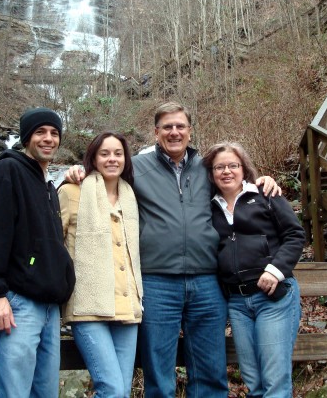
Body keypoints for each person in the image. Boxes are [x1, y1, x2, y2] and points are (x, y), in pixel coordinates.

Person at [65, 102, 281, 397]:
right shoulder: (136, 167)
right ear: (156, 132)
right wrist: (76, 171)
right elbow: (104, 173)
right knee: (159, 371)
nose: (174, 132)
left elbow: (234, 182)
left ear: (190, 131)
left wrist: (261, 180)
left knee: (210, 370)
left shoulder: (206, 167)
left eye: (180, 126)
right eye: (167, 127)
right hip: (156, 282)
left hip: (207, 280)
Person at [0, 107, 76, 398]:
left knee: (43, 393)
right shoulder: (7, 171)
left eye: (54, 133)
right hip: (16, 305)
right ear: (26, 137)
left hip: (48, 307)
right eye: (40, 132)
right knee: (11, 392)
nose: (48, 139)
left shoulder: (46, 184)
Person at [203, 141, 305, 398]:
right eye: (219, 167)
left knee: (274, 381)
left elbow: (295, 234)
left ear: (243, 168)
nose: (226, 171)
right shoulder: (207, 206)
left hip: (273, 297)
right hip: (237, 302)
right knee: (254, 381)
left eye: (232, 165)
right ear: (211, 173)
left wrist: (276, 270)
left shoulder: (265, 194)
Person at [58, 131, 143, 397]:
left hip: (127, 307)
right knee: (112, 390)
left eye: (118, 153)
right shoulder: (72, 191)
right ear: (93, 157)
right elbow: (52, 244)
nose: (112, 159)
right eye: (104, 153)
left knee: (123, 391)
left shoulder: (131, 194)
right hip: (88, 308)